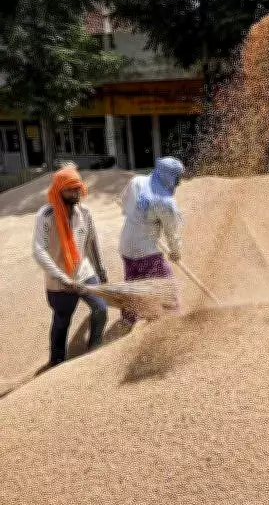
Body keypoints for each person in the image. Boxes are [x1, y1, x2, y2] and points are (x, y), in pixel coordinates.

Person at [32, 163, 108, 368]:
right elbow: (39, 251)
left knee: (101, 309)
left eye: (77, 188)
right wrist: (62, 277)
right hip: (59, 281)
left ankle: (94, 348)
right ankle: (57, 362)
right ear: (59, 190)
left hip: (83, 272)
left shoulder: (85, 213)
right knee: (62, 321)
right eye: (70, 189)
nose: (75, 193)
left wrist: (101, 270)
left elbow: (92, 243)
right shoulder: (46, 216)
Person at [118, 156, 184, 327]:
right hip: (147, 252)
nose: (179, 183)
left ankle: (128, 319)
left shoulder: (136, 181)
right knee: (167, 287)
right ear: (169, 176)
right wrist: (176, 252)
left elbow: (124, 205)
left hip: (126, 245)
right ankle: (175, 321)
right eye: (177, 178)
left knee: (133, 283)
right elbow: (172, 233)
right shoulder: (166, 202)